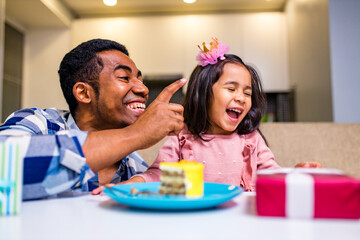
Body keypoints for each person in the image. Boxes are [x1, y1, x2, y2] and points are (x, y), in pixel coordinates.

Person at [93, 37, 320, 193]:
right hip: (193, 219)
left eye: (247, 92)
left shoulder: (250, 139)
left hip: (241, 220)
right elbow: (159, 176)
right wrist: (124, 186)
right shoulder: (183, 137)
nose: (241, 97)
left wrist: (295, 174)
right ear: (204, 94)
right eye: (231, 89)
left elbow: (272, 176)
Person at [0, 39, 186, 200]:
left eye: (140, 79)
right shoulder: (40, 123)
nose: (143, 89)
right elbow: (5, 161)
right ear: (83, 93)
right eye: (124, 77)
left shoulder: (136, 168)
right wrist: (136, 134)